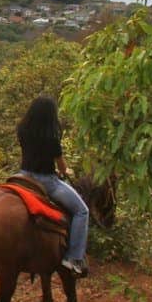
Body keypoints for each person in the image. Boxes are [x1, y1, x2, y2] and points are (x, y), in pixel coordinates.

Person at [15, 94, 90, 277]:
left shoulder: (22, 130)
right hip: (47, 182)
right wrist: (66, 172)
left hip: (23, 176)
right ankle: (74, 258)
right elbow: (61, 167)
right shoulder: (51, 138)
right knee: (82, 211)